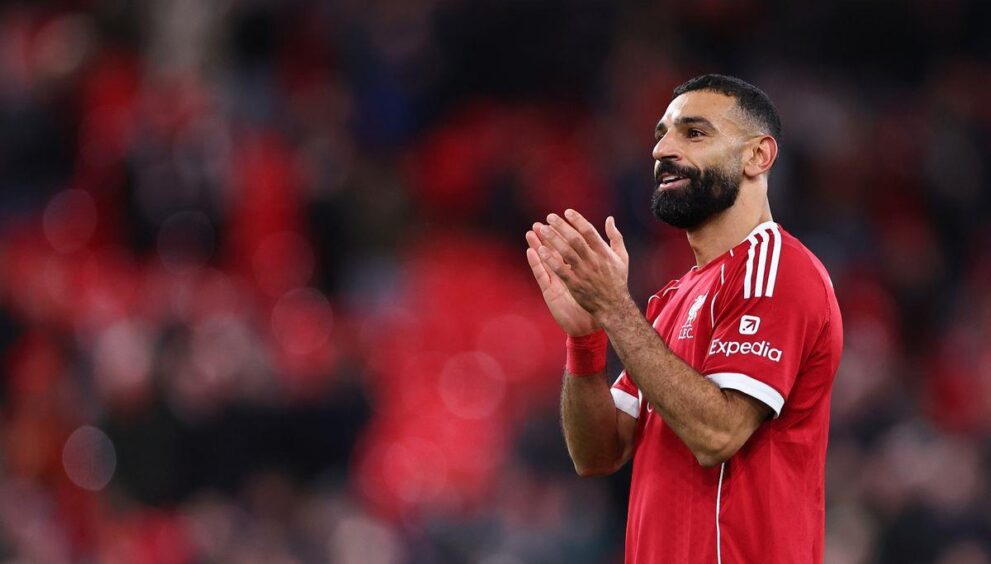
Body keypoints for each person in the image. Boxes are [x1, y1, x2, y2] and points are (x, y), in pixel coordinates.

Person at [525, 74, 843, 564]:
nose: (662, 150)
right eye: (661, 135)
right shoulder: (671, 299)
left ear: (758, 156)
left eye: (694, 133)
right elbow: (598, 454)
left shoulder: (777, 269)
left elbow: (717, 434)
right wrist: (586, 340)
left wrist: (614, 308)